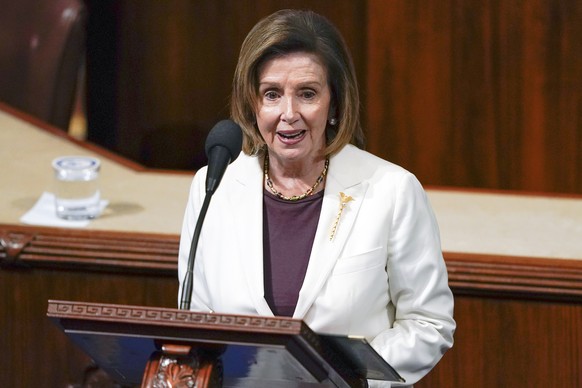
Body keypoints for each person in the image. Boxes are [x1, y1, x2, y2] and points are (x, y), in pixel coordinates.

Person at [178, 9, 455, 387]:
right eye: (271, 94)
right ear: (252, 104)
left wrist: (345, 379)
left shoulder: (392, 190)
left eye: (306, 94)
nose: (288, 114)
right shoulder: (214, 187)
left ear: (335, 103)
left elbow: (428, 323)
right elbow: (196, 320)